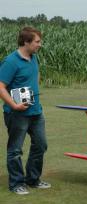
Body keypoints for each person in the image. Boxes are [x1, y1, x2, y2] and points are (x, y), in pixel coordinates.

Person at [0, 27, 50, 195]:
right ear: (26, 42)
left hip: (36, 112)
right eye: (37, 41)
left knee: (41, 145)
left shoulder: (33, 58)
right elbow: (1, 87)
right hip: (17, 114)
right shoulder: (11, 61)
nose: (39, 45)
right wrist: (14, 105)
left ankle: (33, 179)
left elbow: (35, 76)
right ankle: (16, 184)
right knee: (15, 150)